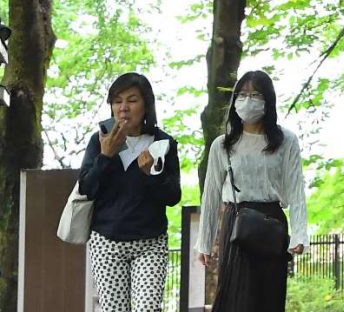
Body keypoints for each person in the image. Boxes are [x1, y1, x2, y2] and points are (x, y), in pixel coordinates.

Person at [198, 70, 308, 312]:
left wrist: (300, 234)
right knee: (235, 298)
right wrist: (204, 243)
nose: (248, 101)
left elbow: (296, 188)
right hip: (237, 223)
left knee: (267, 297)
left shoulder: (286, 141)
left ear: (268, 100)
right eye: (243, 94)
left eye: (256, 94)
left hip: (272, 224)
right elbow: (211, 195)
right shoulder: (223, 144)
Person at [77, 72, 182, 312]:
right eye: (117, 101)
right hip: (107, 242)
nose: (123, 108)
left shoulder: (163, 143)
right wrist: (105, 156)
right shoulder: (100, 140)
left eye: (132, 100)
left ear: (146, 104)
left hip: (150, 242)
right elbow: (87, 188)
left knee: (148, 308)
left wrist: (151, 175)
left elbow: (173, 196)